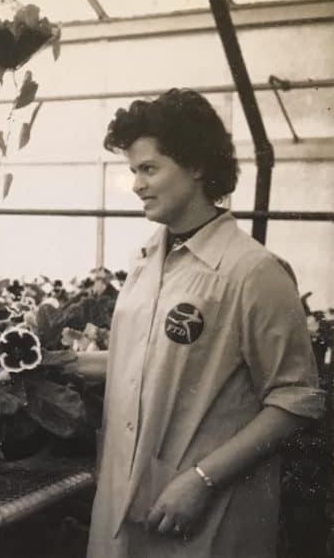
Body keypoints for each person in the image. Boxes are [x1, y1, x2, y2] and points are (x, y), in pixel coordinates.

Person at [87, 88, 324, 557]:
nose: (137, 185)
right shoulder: (145, 263)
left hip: (204, 513)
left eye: (149, 169)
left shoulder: (252, 271)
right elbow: (143, 364)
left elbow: (296, 400)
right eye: (133, 171)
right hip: (124, 500)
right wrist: (60, 365)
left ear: (196, 166)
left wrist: (202, 478)